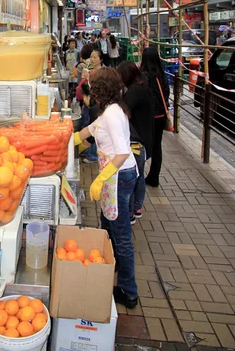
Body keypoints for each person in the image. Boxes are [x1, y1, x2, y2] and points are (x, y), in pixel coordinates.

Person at [74, 69, 138, 309]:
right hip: (116, 176)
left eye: (92, 87)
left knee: (121, 236)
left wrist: (100, 180)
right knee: (109, 224)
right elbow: (87, 133)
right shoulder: (109, 111)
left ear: (101, 90)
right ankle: (113, 266)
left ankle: (128, 290)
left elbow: (122, 153)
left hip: (119, 176)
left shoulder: (112, 114)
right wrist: (64, 141)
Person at [118, 61, 154, 223]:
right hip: (145, 138)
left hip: (137, 141)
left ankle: (132, 211)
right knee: (138, 176)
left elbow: (122, 111)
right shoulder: (142, 86)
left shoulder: (134, 91)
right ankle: (137, 208)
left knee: (133, 176)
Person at [140, 47, 169, 188]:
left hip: (149, 117)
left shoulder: (145, 75)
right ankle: (154, 177)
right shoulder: (162, 74)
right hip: (161, 115)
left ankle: (138, 175)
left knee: (144, 145)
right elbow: (167, 93)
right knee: (157, 146)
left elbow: (144, 96)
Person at [78, 82, 98, 163]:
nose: (83, 99)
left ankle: (92, 155)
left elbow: (92, 133)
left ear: (88, 96)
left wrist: (79, 147)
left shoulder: (94, 110)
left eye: (83, 97)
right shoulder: (88, 108)